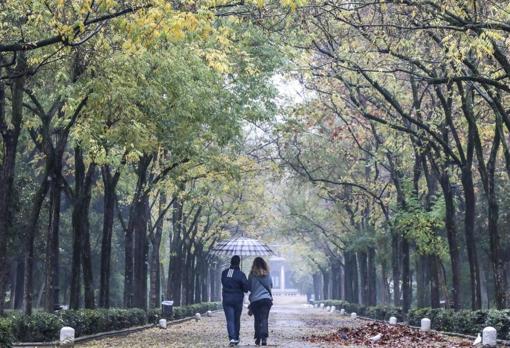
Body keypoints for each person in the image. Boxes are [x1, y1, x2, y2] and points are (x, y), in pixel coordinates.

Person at [221, 255, 249, 346]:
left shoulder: (224, 273)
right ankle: (236, 337)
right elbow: (245, 288)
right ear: (239, 263)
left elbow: (224, 282)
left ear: (231, 262)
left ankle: (232, 338)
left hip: (227, 299)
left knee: (230, 320)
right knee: (236, 319)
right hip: (237, 300)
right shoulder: (241, 274)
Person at [248, 257, 273, 346]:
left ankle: (258, 337)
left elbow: (249, 288)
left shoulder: (251, 274)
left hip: (255, 300)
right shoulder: (267, 274)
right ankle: (264, 338)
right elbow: (271, 285)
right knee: (264, 318)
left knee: (257, 319)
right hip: (266, 299)